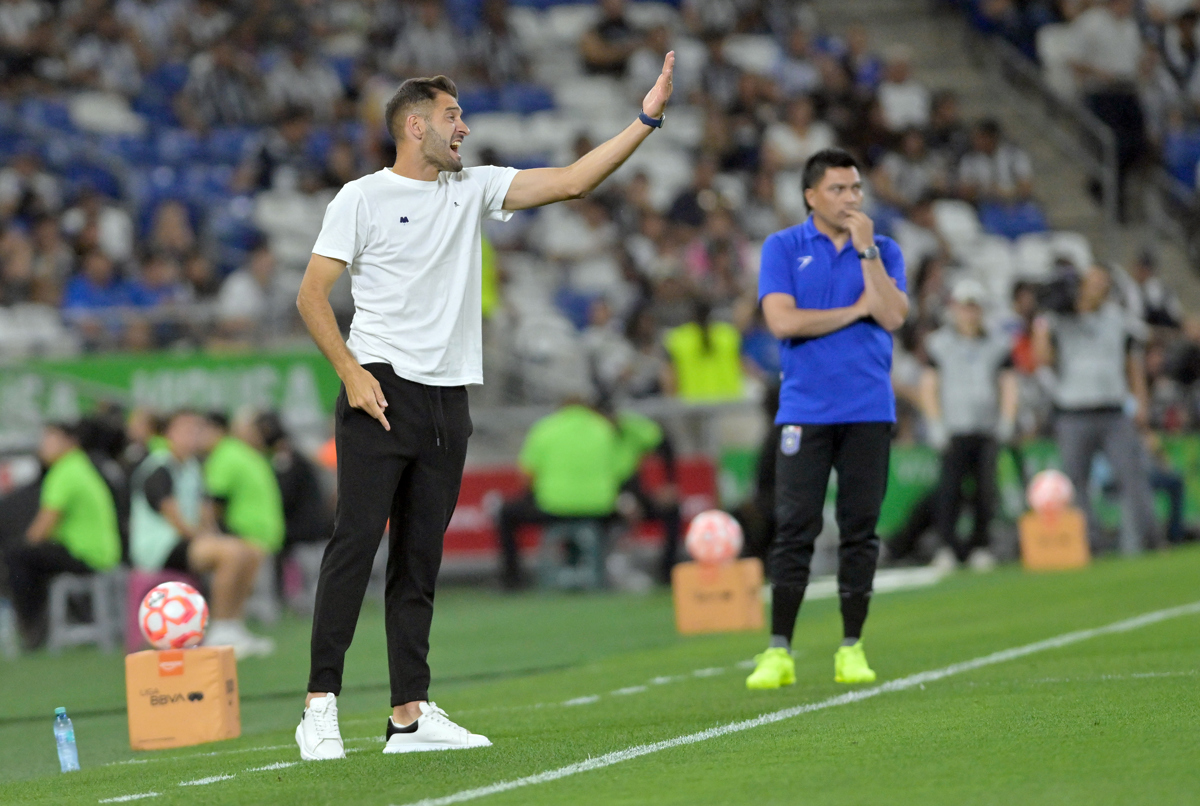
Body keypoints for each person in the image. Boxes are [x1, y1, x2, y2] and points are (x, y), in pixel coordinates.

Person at [294, 56, 676, 759]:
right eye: (452, 117)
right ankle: (320, 704)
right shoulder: (360, 198)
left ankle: (408, 715)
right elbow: (311, 295)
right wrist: (348, 372)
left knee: (419, 558)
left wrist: (645, 119)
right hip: (378, 388)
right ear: (416, 127)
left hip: (448, 398)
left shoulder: (472, 188)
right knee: (355, 544)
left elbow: (573, 181)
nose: (464, 127)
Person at [746, 148, 908, 691]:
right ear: (811, 196)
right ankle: (779, 651)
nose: (851, 199)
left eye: (856, 189)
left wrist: (866, 256)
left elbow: (892, 314)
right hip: (805, 410)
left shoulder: (882, 250)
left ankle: (851, 647)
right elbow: (781, 320)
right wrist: (853, 311)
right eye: (839, 189)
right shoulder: (784, 247)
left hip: (868, 409)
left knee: (861, 532)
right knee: (795, 529)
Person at [1032, 265, 1162, 554]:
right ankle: (1089, 545)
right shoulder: (1058, 319)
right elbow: (1042, 359)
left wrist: (1140, 402)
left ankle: (1141, 542)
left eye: (1102, 282)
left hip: (1114, 410)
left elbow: (1133, 363)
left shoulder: (1118, 318)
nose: (1096, 287)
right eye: (1091, 282)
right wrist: (1042, 323)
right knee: (1076, 483)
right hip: (1073, 411)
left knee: (1132, 475)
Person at [128, 410, 273, 658]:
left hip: (188, 542)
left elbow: (205, 514)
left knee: (253, 551)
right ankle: (219, 629)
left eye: (196, 429)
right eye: (185, 429)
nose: (193, 435)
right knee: (231, 554)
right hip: (159, 546)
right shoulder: (159, 467)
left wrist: (214, 536)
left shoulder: (194, 467)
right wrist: (209, 540)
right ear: (169, 433)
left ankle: (234, 626)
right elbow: (175, 519)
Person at [920, 279, 1019, 572]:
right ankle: (946, 546)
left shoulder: (997, 344)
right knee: (949, 489)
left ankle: (981, 545)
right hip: (954, 426)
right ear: (954, 308)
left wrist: (1007, 420)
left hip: (986, 426)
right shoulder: (939, 344)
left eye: (974, 306)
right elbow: (929, 386)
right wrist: (935, 422)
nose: (969, 313)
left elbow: (1008, 385)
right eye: (964, 306)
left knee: (984, 491)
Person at [3, 423, 120, 650]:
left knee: (17, 555)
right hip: (102, 553)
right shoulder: (80, 466)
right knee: (27, 557)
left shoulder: (65, 471)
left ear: (69, 442)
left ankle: (32, 627)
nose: (43, 447)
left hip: (86, 554)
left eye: (50, 440)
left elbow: (41, 529)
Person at [495, 399, 622, 589]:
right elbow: (620, 470)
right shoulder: (604, 429)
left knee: (506, 513)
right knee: (604, 526)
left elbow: (527, 475)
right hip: (600, 508)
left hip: (553, 508)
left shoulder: (545, 428)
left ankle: (512, 580)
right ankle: (598, 573)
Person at [198, 412, 285, 566]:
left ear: (216, 430)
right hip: (269, 534)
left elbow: (213, 504)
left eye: (201, 431)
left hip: (247, 535)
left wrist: (206, 536)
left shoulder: (224, 454)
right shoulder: (244, 452)